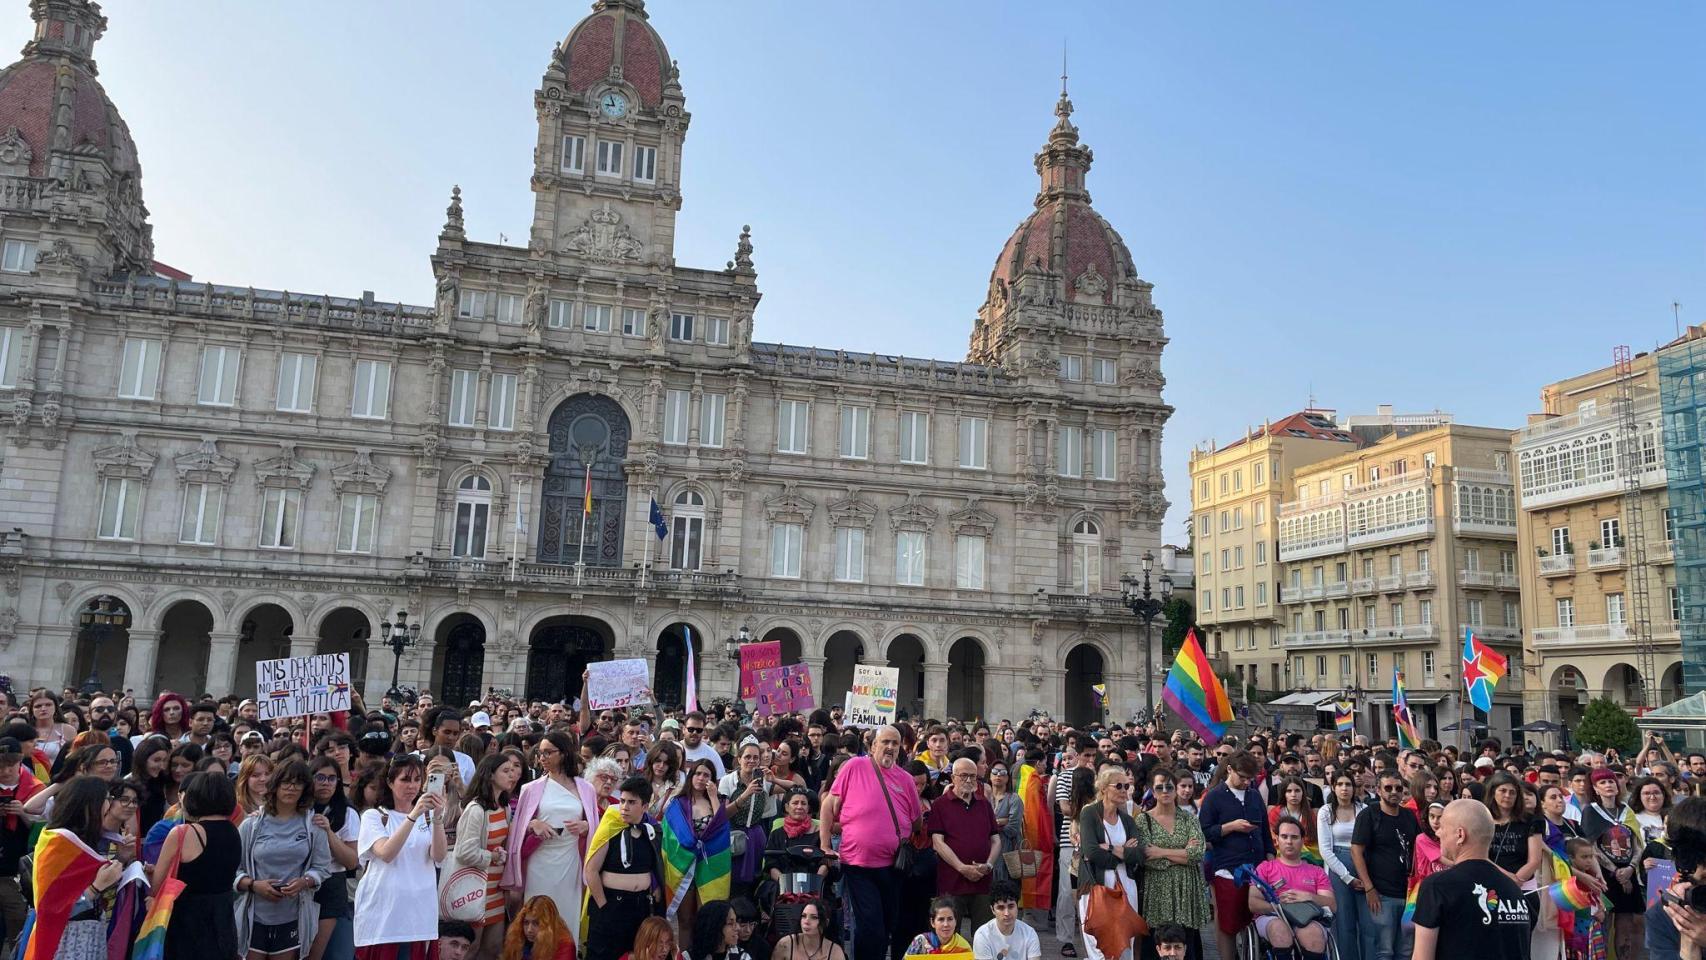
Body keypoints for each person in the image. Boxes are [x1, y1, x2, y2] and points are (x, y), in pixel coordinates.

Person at [820, 725, 922, 960]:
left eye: (895, 744)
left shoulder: (906, 779)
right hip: (859, 864)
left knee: (886, 925)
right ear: (873, 745)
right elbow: (827, 805)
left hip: (893, 866)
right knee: (870, 925)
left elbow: (917, 823)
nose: (890, 747)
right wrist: (825, 844)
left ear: (901, 749)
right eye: (885, 742)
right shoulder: (855, 766)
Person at [504, 730, 600, 951]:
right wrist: (534, 824)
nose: (542, 757)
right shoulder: (531, 788)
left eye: (548, 752)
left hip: (571, 861)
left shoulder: (585, 788)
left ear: (564, 754)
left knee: (567, 916)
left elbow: (595, 824)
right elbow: (518, 827)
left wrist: (586, 827)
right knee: (536, 919)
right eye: (540, 753)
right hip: (540, 861)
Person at [236, 759, 335, 960]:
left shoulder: (313, 825)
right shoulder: (251, 824)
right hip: (253, 915)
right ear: (275, 785)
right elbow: (233, 870)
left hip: (293, 915)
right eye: (286, 782)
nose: (291, 788)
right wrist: (254, 885)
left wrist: (304, 882)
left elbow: (323, 868)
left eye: (298, 783)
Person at [352, 754, 449, 957]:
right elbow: (386, 853)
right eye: (405, 779)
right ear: (389, 782)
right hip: (384, 916)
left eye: (416, 780)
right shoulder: (374, 816)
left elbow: (439, 856)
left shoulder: (429, 817)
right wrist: (413, 816)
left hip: (419, 914)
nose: (412, 786)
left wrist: (438, 817)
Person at [1411, 799, 1533, 960]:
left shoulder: (1438, 886)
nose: (1438, 833)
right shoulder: (1513, 890)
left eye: (1442, 827)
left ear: (1460, 835)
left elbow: (1422, 957)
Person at [159, 771, 243, 960]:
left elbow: (158, 884)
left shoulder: (183, 832)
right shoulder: (234, 830)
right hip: (223, 922)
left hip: (187, 924)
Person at [1200, 750, 1273, 960]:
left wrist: (1270, 857)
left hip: (1257, 868)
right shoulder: (1214, 796)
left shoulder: (1254, 795)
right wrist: (1229, 827)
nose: (1246, 782)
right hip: (1228, 869)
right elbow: (1204, 831)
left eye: (1250, 778)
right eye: (1242, 777)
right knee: (1228, 924)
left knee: (1255, 919)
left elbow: (1265, 830)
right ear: (1229, 769)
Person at [586, 778, 665, 960]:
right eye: (622, 801)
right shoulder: (609, 828)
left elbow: (657, 867)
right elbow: (590, 871)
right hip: (611, 904)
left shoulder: (652, 831)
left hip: (641, 907)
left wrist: (656, 887)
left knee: (636, 954)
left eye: (631, 802)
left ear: (645, 806)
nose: (624, 807)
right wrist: (604, 907)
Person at [1132, 767, 1207, 956]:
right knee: (1157, 941)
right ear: (1152, 789)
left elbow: (1197, 853)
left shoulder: (1189, 819)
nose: (1165, 791)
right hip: (1157, 891)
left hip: (1186, 890)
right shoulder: (1143, 820)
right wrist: (1182, 854)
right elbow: (1147, 858)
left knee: (1185, 940)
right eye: (1159, 787)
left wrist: (1161, 852)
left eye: (1169, 787)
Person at [455, 752, 523, 960]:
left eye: (513, 770)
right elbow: (464, 852)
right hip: (475, 890)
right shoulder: (476, 809)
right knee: (470, 949)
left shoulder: (504, 807)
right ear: (490, 775)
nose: (512, 775)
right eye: (506, 771)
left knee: (492, 949)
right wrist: (491, 857)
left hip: (495, 889)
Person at [1075, 766, 1144, 960]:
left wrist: (1112, 848)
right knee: (1099, 946)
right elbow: (1091, 851)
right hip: (1097, 887)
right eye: (1119, 786)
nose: (1125, 790)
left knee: (1124, 945)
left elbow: (1139, 854)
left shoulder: (1128, 820)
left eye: (1127, 786)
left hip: (1126, 886)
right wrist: (1124, 852)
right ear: (1104, 788)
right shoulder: (1089, 813)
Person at [1350, 770, 1418, 960]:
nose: (1394, 791)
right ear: (1378, 790)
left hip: (1408, 894)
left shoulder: (1409, 816)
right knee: (1384, 951)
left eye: (1398, 788)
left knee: (1406, 952)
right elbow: (1356, 851)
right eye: (1388, 788)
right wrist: (1369, 888)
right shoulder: (1368, 815)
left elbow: (1418, 850)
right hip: (1381, 894)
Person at [663, 759, 732, 943]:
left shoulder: (716, 801)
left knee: (706, 920)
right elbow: (669, 837)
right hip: (684, 868)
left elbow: (721, 828)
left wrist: (714, 796)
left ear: (712, 779)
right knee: (685, 920)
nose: (701, 778)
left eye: (706, 775)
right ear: (691, 776)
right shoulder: (677, 803)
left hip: (709, 869)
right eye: (698, 774)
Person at [928, 757, 1000, 932]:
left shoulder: (984, 804)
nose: (969, 780)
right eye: (963, 776)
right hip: (952, 881)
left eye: (973, 776)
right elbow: (938, 842)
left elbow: (996, 839)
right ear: (953, 778)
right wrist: (961, 867)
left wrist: (989, 865)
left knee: (985, 934)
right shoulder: (940, 804)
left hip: (983, 880)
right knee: (949, 933)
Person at [1581, 767, 1645, 959]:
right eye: (1603, 782)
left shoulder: (1627, 811)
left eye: (1611, 781)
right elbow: (1591, 847)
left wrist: (1630, 868)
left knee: (1626, 924)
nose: (1608, 785)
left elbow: (1637, 844)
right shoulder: (1591, 811)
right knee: (1604, 924)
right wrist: (1616, 871)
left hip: (1628, 872)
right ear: (1595, 788)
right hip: (1604, 875)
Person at [1249, 814, 1335, 958]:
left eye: (1294, 837)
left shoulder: (1316, 871)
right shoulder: (1264, 868)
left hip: (1307, 917)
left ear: (1302, 841)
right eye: (1284, 836)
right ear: (1277, 840)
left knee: (1313, 936)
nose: (1289, 842)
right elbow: (1253, 903)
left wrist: (1308, 897)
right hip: (1273, 916)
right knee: (1279, 930)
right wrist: (1279, 907)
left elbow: (1332, 905)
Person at [306, 755, 359, 960]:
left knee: (315, 953)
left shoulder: (348, 813)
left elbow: (351, 861)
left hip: (331, 883)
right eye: (320, 777)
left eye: (331, 778)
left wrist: (328, 832)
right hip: (299, 881)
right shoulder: (297, 808)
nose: (326, 783)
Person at [1318, 772, 1366, 960]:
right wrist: (1347, 877)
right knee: (1344, 922)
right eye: (1340, 784)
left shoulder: (1363, 810)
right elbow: (1325, 850)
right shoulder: (1326, 811)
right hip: (1337, 868)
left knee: (1365, 922)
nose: (1344, 788)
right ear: (1333, 787)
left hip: (1362, 864)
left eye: (1348, 784)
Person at [721, 740, 775, 894]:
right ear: (739, 759)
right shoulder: (728, 780)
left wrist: (774, 779)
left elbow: (795, 788)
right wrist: (745, 794)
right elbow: (723, 814)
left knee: (755, 879)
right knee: (734, 880)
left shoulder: (762, 779)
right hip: (734, 834)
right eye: (747, 757)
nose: (751, 761)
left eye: (755, 758)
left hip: (756, 834)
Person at [1484, 771, 1543, 888]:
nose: (1507, 795)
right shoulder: (1482, 819)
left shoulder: (1532, 820)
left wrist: (1517, 880)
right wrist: (1508, 878)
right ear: (1493, 792)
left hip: (1523, 885)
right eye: (1503, 791)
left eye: (1512, 792)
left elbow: (1535, 860)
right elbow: (1481, 856)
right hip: (1491, 882)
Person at [971, 882, 1040, 960]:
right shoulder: (982, 935)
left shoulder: (1029, 933)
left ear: (1017, 906)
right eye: (1001, 908)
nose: (1007, 913)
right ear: (992, 910)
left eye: (1011, 906)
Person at [500, 895, 577, 960]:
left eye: (536, 923)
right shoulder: (517, 939)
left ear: (549, 924)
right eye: (526, 923)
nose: (529, 930)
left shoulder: (565, 946)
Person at [984, 761, 1023, 886]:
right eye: (995, 772)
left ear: (1008, 777)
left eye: (1003, 773)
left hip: (1008, 851)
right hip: (986, 849)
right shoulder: (983, 799)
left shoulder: (1014, 798)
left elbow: (1013, 829)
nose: (998, 775)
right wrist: (1001, 821)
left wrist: (992, 823)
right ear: (989, 776)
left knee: (1007, 888)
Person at [687, 900, 752, 960]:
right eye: (730, 923)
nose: (738, 928)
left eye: (736, 922)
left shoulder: (742, 957)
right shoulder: (687, 957)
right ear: (714, 926)